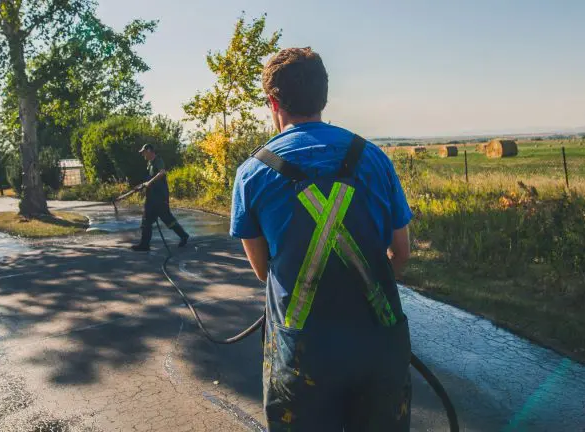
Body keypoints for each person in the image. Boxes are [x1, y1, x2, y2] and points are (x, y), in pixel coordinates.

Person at [230, 47, 413, 431]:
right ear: (324, 96)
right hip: (378, 344)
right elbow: (401, 253)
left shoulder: (251, 174)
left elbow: (264, 272)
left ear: (272, 101)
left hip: (302, 352)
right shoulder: (375, 158)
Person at [131, 144, 189, 251]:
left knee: (167, 219)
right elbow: (149, 179)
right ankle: (144, 245)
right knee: (146, 221)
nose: (143, 154)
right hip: (151, 197)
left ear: (149, 150)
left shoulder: (158, 160)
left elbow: (162, 172)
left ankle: (183, 235)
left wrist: (149, 182)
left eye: (144, 152)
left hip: (160, 197)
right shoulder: (149, 164)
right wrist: (142, 185)